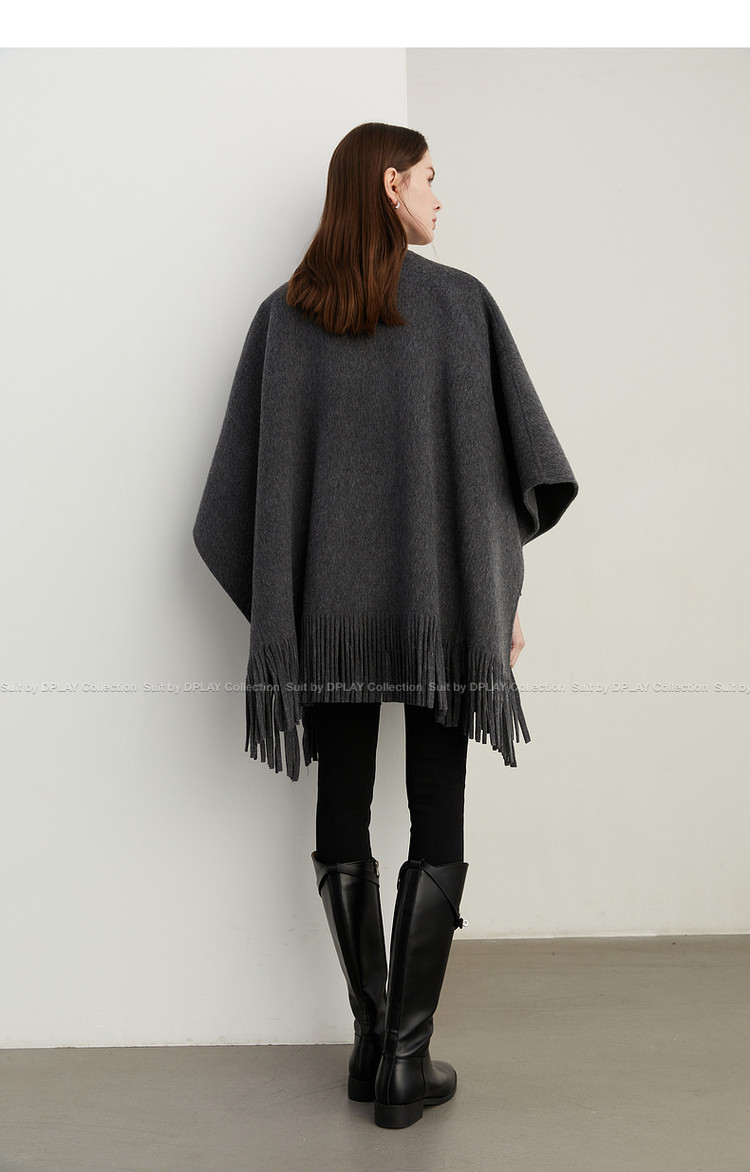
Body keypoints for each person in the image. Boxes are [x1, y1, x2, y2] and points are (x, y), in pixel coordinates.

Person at [192, 121, 578, 1129]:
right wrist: (495, 602)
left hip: (332, 615)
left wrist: (294, 608)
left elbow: (243, 501)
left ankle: (375, 1042)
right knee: (438, 805)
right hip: (437, 609)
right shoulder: (459, 306)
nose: (442, 198)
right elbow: (505, 479)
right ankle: (405, 1057)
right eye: (432, 179)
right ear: (391, 184)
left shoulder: (286, 318)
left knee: (343, 804)